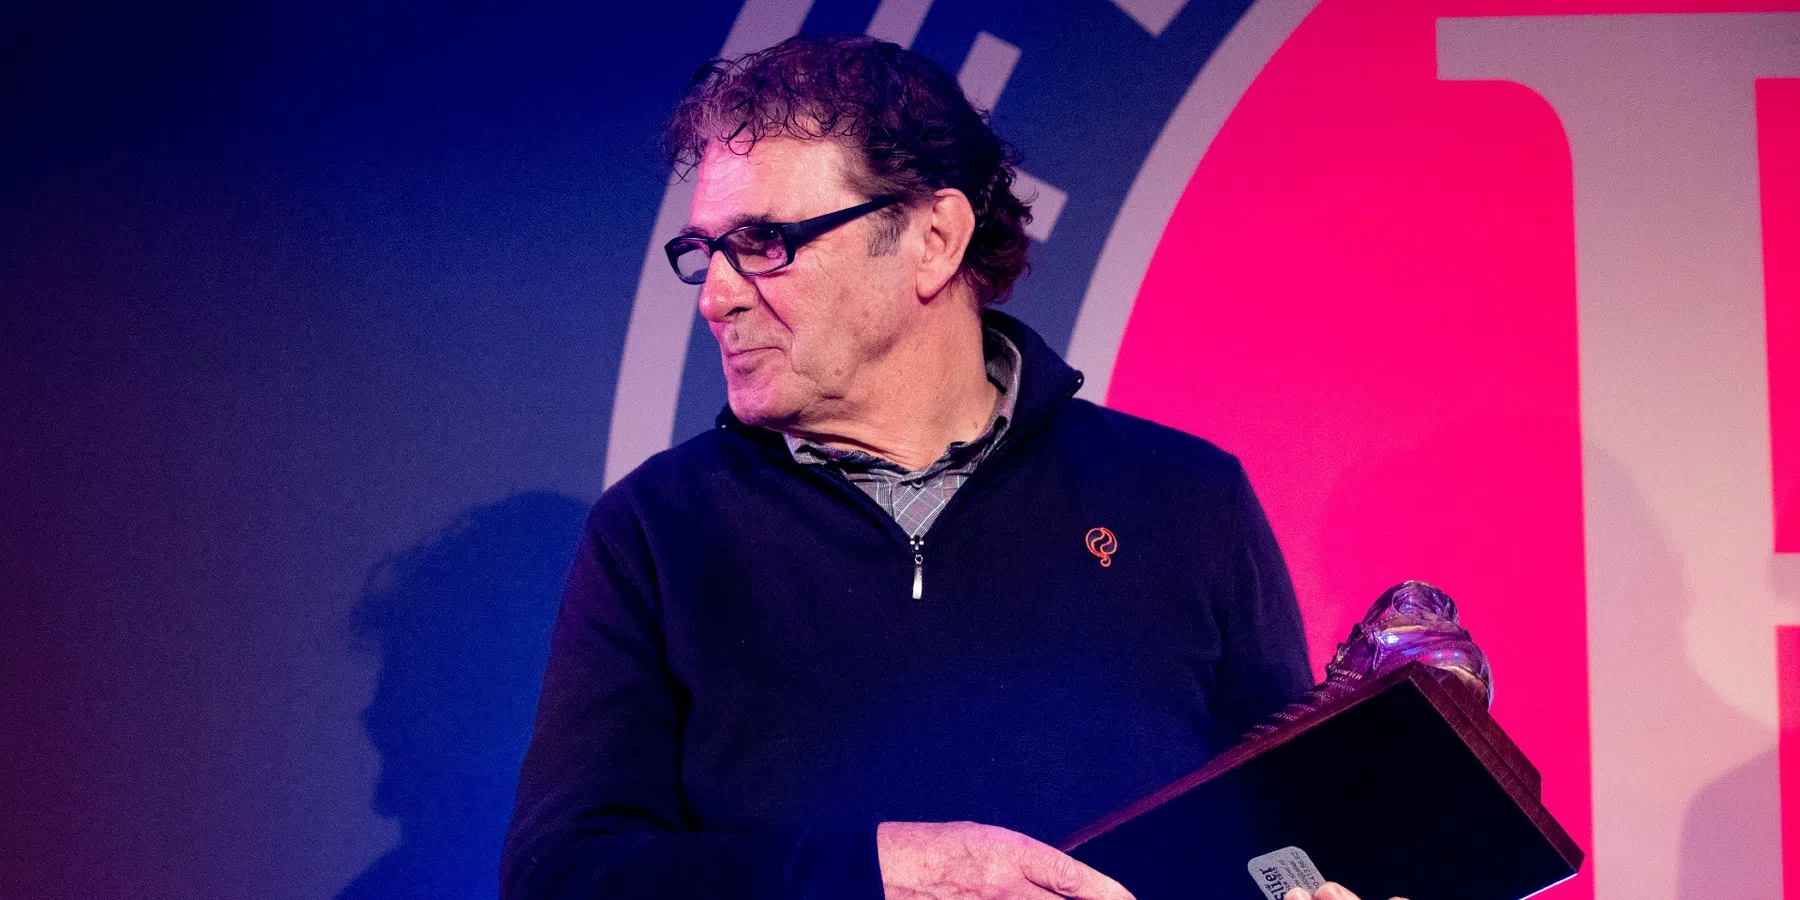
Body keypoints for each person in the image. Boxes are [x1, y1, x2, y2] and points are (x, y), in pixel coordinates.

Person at [501, 34, 1377, 900]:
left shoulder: (1184, 499)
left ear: (933, 238)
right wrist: (881, 874)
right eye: (707, 251)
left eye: (765, 242)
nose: (717, 297)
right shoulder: (658, 533)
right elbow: (563, 879)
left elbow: (1296, 841)